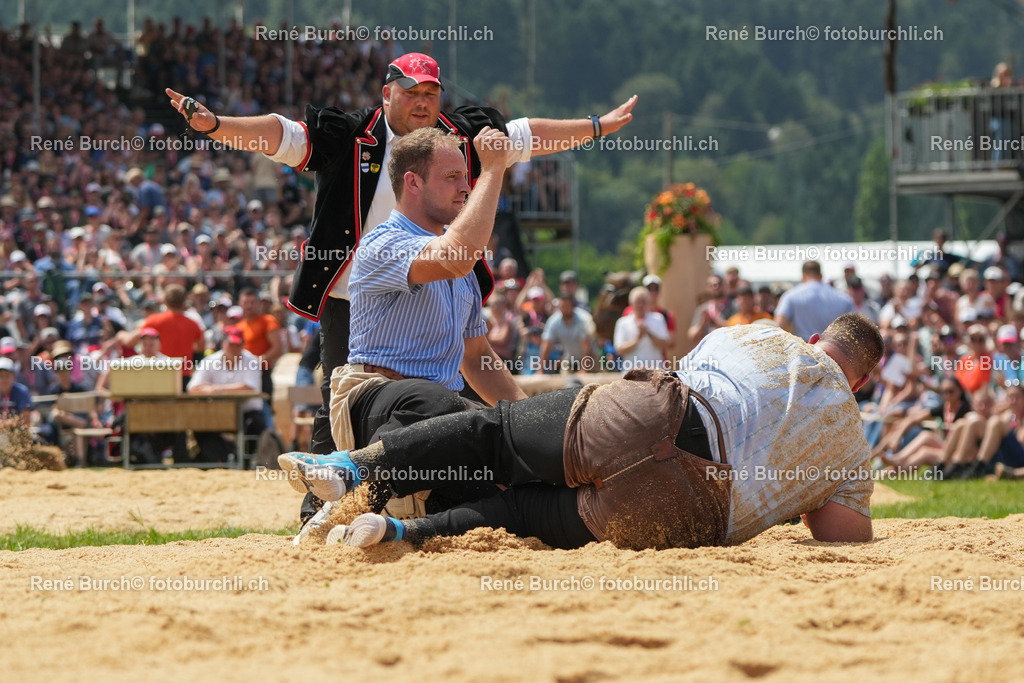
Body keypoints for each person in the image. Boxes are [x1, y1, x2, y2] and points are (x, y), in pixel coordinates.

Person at [166, 53, 638, 459]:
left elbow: (527, 135)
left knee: (452, 389)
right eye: (411, 92)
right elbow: (282, 135)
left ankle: (441, 481)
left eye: (431, 93)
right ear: (387, 94)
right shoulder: (350, 133)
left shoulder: (459, 137)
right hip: (356, 294)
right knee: (342, 400)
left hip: (436, 283)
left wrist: (596, 127)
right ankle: (323, 503)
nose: (422, 102)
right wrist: (216, 125)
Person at [279, 313, 883, 550]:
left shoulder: (766, 336)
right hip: (694, 507)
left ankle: (350, 468)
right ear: (861, 383)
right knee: (522, 514)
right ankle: (397, 532)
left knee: (495, 434)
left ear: (815, 340)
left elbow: (688, 371)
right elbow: (843, 535)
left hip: (657, 411)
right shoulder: (852, 447)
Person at [301, 126, 528, 522]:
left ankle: (389, 520)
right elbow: (456, 256)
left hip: (438, 414)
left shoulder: (461, 267)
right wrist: (493, 170)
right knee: (435, 401)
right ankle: (352, 494)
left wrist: (527, 421)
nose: (465, 187)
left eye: (467, 176)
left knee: (512, 488)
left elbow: (477, 358)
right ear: (413, 183)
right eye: (452, 176)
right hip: (377, 402)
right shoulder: (382, 244)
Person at [187, 325, 264, 463]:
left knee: (256, 424)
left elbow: (250, 388)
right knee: (200, 425)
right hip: (216, 413)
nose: (234, 348)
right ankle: (220, 460)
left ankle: (246, 462)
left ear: (243, 345)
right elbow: (193, 388)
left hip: (245, 412)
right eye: (231, 344)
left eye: (238, 344)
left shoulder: (251, 360)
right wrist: (219, 389)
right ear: (223, 343)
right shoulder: (210, 361)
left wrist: (215, 389)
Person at [775, 261, 855, 341]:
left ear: (803, 275)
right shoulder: (844, 298)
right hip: (832, 347)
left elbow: (779, 326)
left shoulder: (790, 296)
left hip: (803, 347)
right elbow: (854, 329)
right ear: (821, 275)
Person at [614, 287, 670, 372]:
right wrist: (638, 338)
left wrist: (649, 333)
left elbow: (665, 344)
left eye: (643, 302)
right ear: (631, 303)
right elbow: (619, 350)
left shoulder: (658, 319)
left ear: (648, 303)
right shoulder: (622, 323)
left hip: (655, 372)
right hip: (631, 373)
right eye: (638, 302)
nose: (640, 305)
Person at [540, 294, 595, 373]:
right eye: (562, 306)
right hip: (570, 359)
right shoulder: (553, 321)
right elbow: (546, 345)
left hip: (591, 358)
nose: (565, 309)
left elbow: (586, 346)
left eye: (567, 306)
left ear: (573, 306)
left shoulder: (583, 319)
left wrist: (584, 369)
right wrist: (540, 369)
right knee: (564, 378)